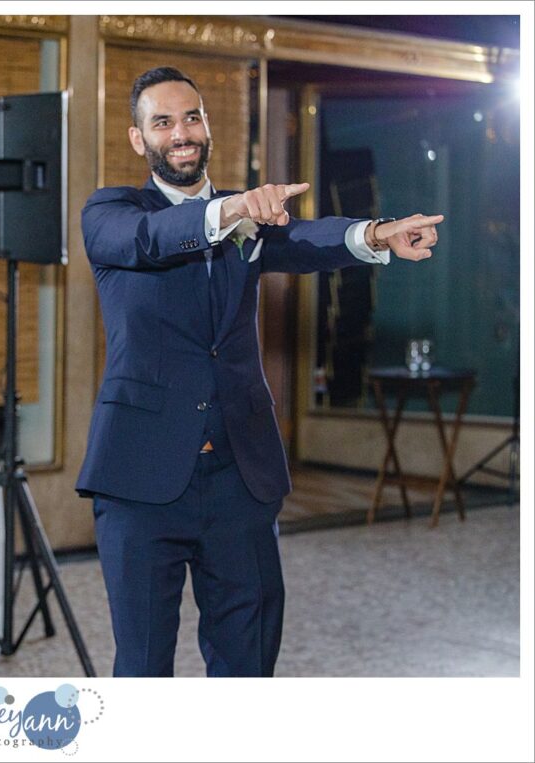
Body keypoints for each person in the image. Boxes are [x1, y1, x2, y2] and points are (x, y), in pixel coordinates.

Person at [77, 66, 443, 677]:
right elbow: (150, 239)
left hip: (239, 479)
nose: (181, 133)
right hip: (140, 478)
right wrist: (231, 211)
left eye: (191, 117)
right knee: (141, 667)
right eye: (162, 122)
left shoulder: (244, 214)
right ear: (140, 139)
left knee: (248, 662)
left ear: (207, 125)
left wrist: (377, 232)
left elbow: (302, 238)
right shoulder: (112, 212)